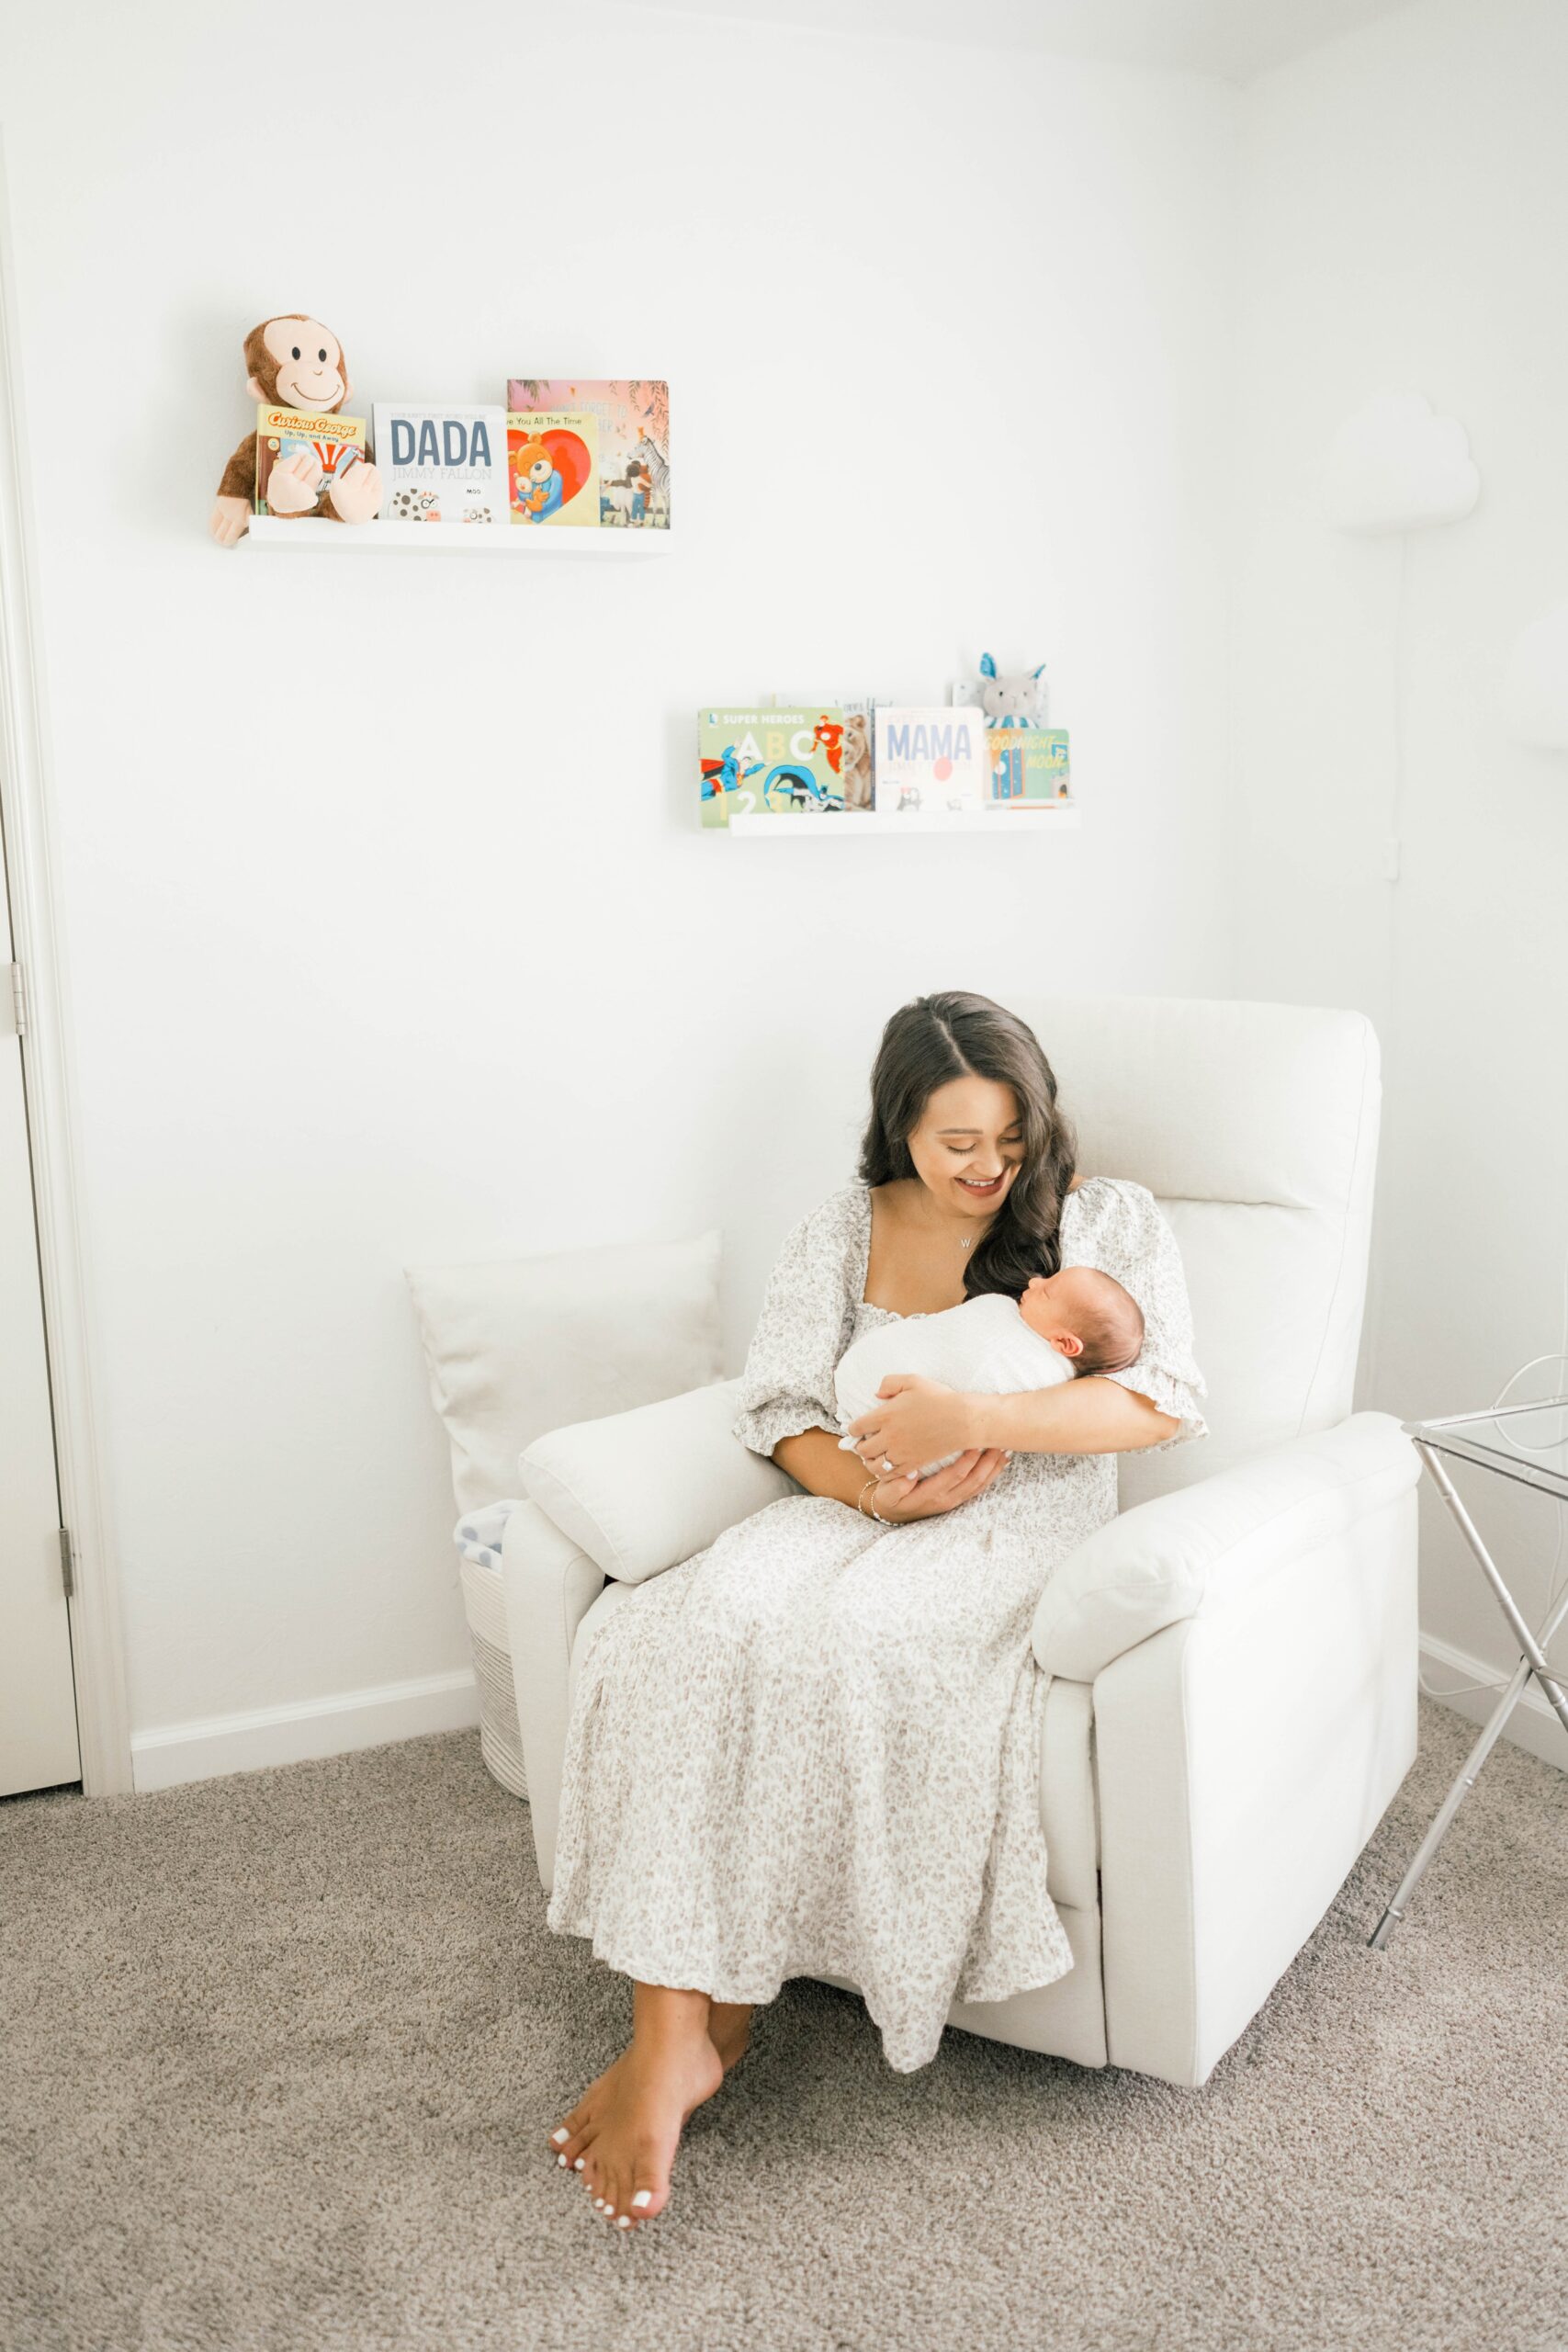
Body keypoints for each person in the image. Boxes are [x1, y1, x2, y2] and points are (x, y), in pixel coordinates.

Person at [543, 990, 1209, 2232]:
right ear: (898, 1122)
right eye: (956, 1141)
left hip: (1023, 1518)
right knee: (702, 1623)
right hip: (865, 1502)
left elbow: (1159, 1400)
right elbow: (778, 1406)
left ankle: (715, 2019)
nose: (985, 1169)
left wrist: (974, 1419)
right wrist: (864, 1491)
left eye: (1008, 1140)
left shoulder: (1105, 1218)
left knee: (859, 1643)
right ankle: (674, 2025)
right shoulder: (842, 1228)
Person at [831, 1262, 1144, 1480]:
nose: (1035, 1281)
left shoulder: (1043, 1378)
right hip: (883, 1439)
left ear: (1064, 1342)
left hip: (911, 1443)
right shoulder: (1003, 1311)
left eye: (1047, 1292)